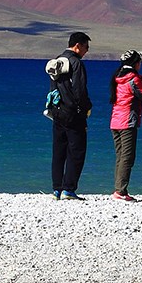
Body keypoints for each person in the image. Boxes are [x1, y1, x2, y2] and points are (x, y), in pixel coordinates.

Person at [46, 31, 93, 200]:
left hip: (57, 112)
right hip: (73, 113)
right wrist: (86, 107)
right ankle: (69, 189)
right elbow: (79, 90)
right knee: (77, 151)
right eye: (86, 47)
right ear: (77, 45)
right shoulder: (76, 63)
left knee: (58, 151)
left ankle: (56, 189)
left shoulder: (56, 61)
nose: (87, 51)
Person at [107, 50, 142, 201]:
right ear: (135, 63)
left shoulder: (118, 77)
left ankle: (118, 188)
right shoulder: (133, 79)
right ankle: (121, 191)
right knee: (128, 157)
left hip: (115, 120)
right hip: (127, 121)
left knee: (120, 156)